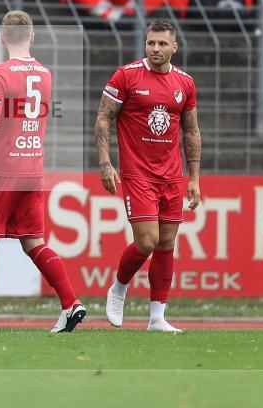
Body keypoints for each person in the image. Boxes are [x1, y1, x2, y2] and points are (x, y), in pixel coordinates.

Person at [0, 10, 86, 334]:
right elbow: (21, 98)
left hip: (2, 169)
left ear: (2, 38)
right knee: (33, 241)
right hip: (33, 167)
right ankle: (71, 303)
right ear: (32, 37)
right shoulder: (44, 73)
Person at [94, 19, 202, 333]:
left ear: (174, 47)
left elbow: (191, 131)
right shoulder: (126, 76)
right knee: (147, 241)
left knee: (166, 244)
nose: (155, 48)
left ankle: (157, 318)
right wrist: (105, 163)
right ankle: (118, 287)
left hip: (171, 175)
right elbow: (103, 119)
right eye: (150, 42)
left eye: (162, 44)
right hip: (138, 173)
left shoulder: (185, 83)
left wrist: (193, 177)